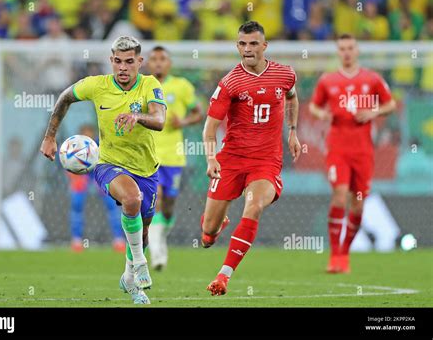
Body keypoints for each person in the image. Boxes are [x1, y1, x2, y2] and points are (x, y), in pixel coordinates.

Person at [40, 36, 167, 304]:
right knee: (132, 199)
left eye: (129, 62)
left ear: (139, 62)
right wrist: (50, 136)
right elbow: (64, 98)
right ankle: (141, 265)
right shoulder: (97, 85)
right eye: (118, 61)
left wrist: (137, 117)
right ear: (111, 61)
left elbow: (159, 120)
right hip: (108, 163)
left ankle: (129, 278)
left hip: (146, 169)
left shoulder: (149, 84)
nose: (123, 67)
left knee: (142, 231)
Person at [201, 21, 301, 296]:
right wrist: (211, 160)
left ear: (264, 46)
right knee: (207, 236)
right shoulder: (230, 83)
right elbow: (209, 129)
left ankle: (223, 276)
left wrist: (292, 132)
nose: (247, 49)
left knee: (254, 205)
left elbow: (292, 98)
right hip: (231, 160)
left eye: (253, 43)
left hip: (266, 162)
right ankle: (217, 224)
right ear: (237, 46)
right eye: (243, 44)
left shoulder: (285, 74)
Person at [309, 33, 396, 273]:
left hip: (363, 152)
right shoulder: (328, 80)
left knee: (357, 206)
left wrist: (373, 112)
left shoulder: (372, 79)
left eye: (350, 48)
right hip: (337, 148)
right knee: (339, 196)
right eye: (342, 48)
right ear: (338, 52)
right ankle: (335, 255)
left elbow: (390, 104)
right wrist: (323, 114)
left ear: (357, 51)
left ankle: (345, 252)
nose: (346, 52)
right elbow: (314, 106)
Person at [146, 46, 203, 271]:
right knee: (155, 201)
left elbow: (199, 111)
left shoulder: (182, 86)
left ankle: (161, 233)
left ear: (169, 63)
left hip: (174, 157)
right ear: (148, 63)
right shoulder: (143, 86)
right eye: (154, 59)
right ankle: (158, 254)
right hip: (149, 157)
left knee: (168, 207)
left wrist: (184, 122)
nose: (158, 63)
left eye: (162, 59)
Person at [66, 124, 126, 253]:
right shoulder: (73, 146)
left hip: (98, 174)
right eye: (85, 134)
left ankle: (118, 239)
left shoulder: (100, 145)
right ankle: (76, 240)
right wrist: (73, 176)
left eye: (90, 134)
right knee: (77, 204)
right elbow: (66, 161)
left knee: (112, 204)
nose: (88, 136)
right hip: (81, 175)